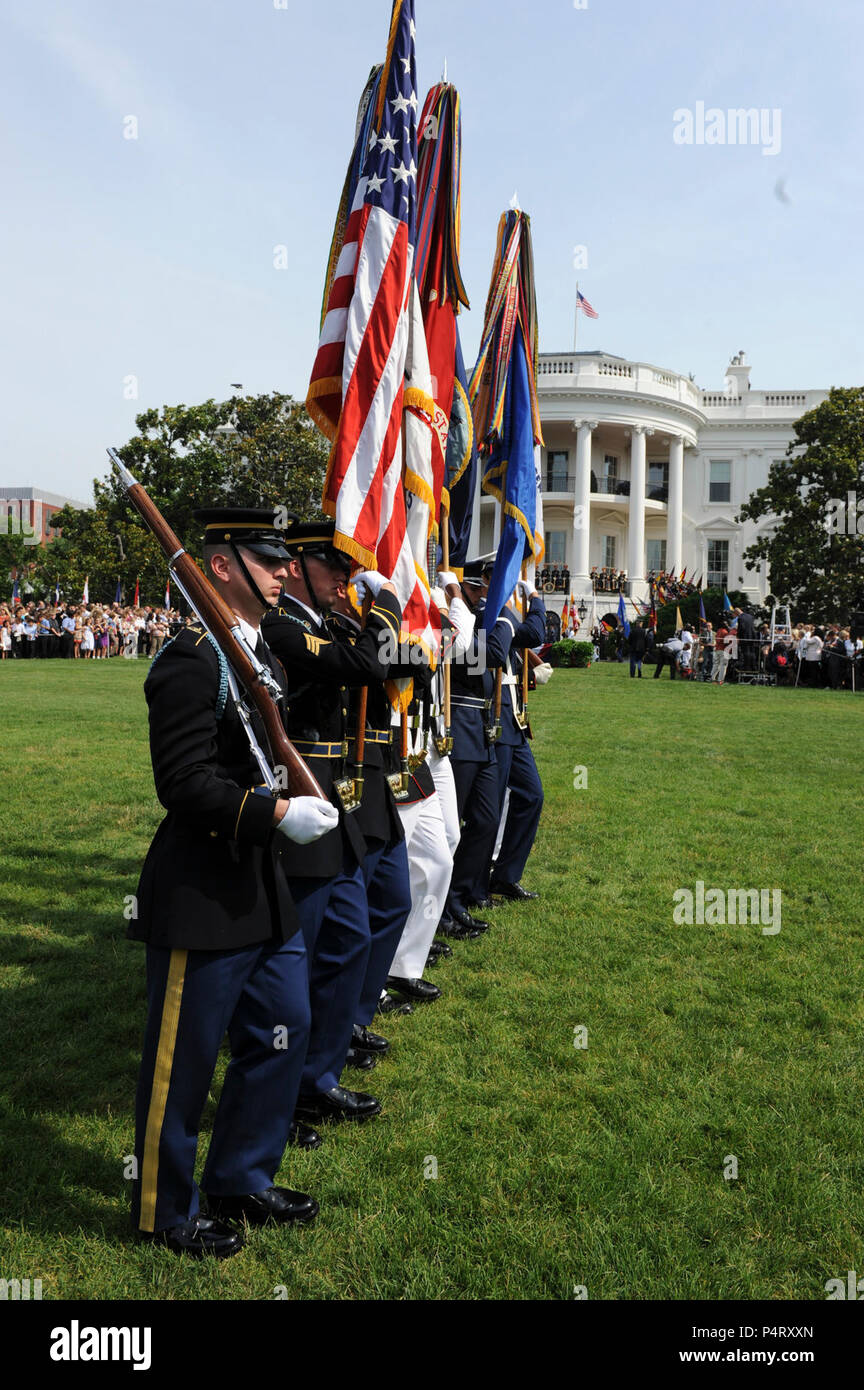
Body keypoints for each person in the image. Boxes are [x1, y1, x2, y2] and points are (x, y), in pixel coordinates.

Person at [128, 507, 338, 1258]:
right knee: (179, 1067)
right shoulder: (191, 660)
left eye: (284, 559)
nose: (286, 570)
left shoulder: (254, 655)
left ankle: (241, 1174)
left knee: (285, 1028)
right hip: (203, 890)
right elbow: (182, 785)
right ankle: (162, 1210)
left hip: (260, 886)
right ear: (222, 566)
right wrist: (276, 811)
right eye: (268, 559)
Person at [262, 519, 404, 1127]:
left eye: (350, 572)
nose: (345, 580)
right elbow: (368, 666)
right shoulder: (282, 627)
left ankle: (318, 1075)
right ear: (295, 564)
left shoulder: (325, 623)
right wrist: (388, 607)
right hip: (305, 797)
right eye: (335, 569)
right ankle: (288, 1090)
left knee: (349, 937)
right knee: (309, 953)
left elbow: (398, 663)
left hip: (339, 799)